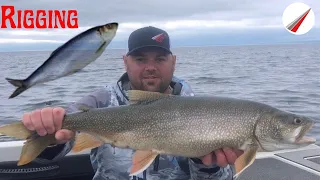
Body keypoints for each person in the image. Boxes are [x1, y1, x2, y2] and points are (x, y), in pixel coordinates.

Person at [21, 26, 243, 180]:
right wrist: (48, 132)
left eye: (160, 59)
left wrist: (209, 164)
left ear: (173, 62)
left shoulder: (201, 112)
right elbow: (56, 148)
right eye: (140, 59)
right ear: (125, 62)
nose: (150, 67)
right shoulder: (101, 101)